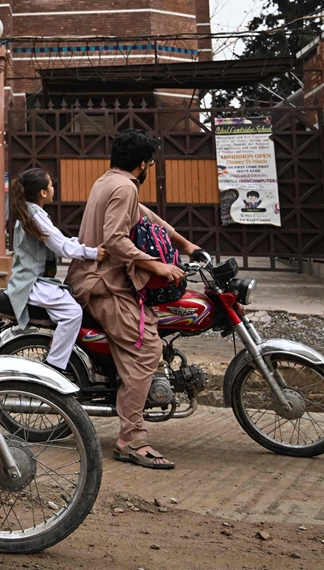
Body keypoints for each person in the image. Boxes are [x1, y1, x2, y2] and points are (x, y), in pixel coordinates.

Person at [65, 129, 199, 470]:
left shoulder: (109, 182)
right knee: (147, 352)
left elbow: (148, 218)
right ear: (143, 163)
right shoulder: (125, 187)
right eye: (150, 162)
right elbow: (116, 240)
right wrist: (158, 266)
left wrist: (185, 245)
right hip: (104, 285)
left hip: (102, 280)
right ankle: (131, 440)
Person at [5, 167, 105, 371]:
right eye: (51, 185)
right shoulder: (34, 215)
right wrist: (93, 253)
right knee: (73, 313)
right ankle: (55, 365)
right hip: (32, 283)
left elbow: (60, 240)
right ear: (43, 192)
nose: (53, 188)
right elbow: (62, 247)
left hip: (36, 281)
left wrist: (85, 245)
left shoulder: (34, 212)